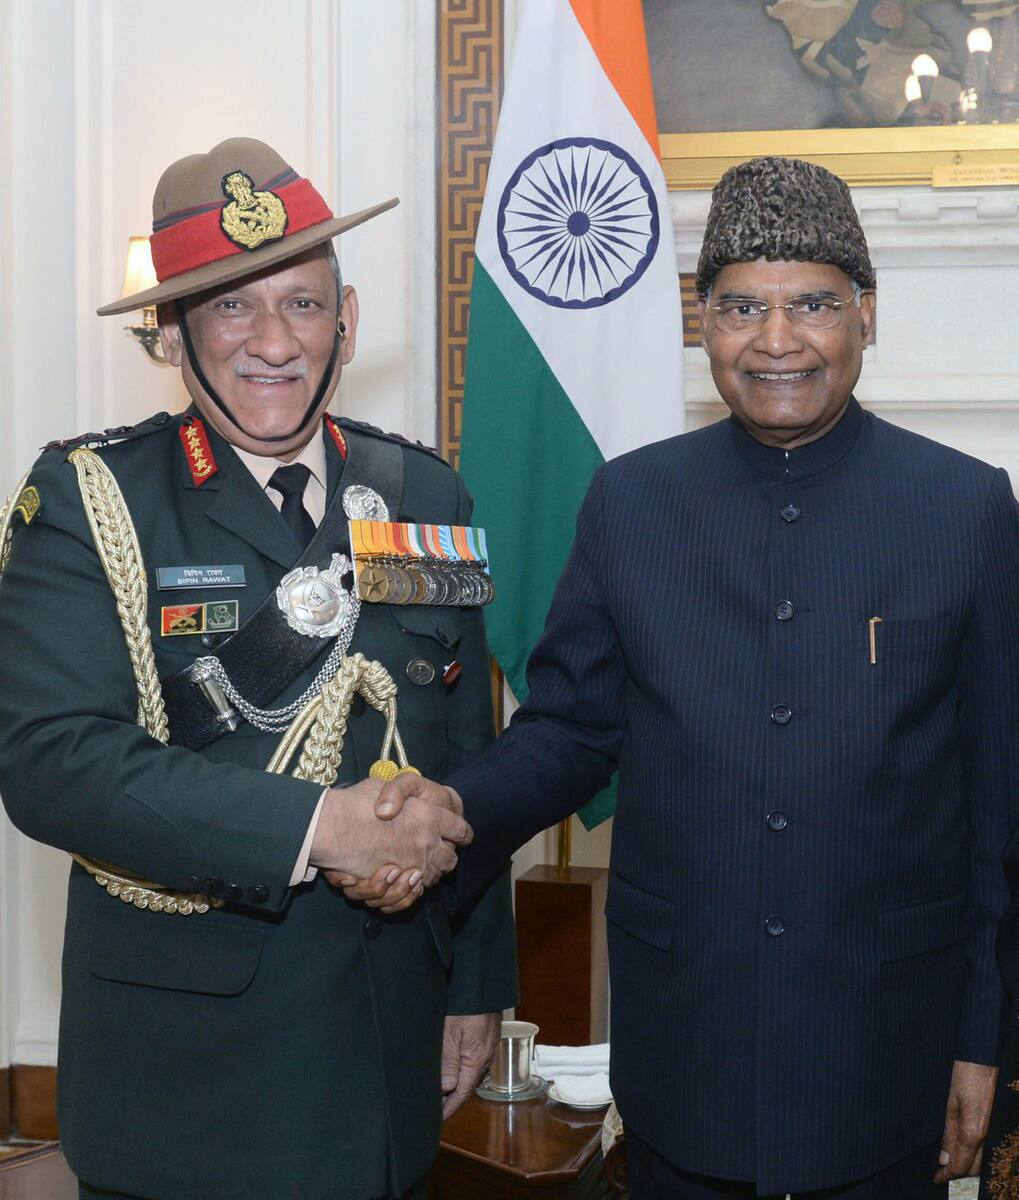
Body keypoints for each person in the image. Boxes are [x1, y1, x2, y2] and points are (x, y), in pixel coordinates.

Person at [351, 157, 1019, 1198]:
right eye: (740, 306)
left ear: (866, 315)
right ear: (698, 321)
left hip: (887, 1046)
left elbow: (997, 803)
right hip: (684, 1046)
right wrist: (441, 813)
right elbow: (568, 733)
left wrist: (983, 1036)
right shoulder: (630, 505)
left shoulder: (965, 509)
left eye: (811, 304)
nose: (776, 339)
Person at [0, 137, 516, 1200]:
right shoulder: (91, 501)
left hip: (383, 1058)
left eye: (304, 303)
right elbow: (54, 762)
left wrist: (475, 982)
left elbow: (470, 753)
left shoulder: (421, 493)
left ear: (349, 319)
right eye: (232, 307)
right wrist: (314, 828)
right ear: (174, 334)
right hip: (186, 1085)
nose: (272, 342)